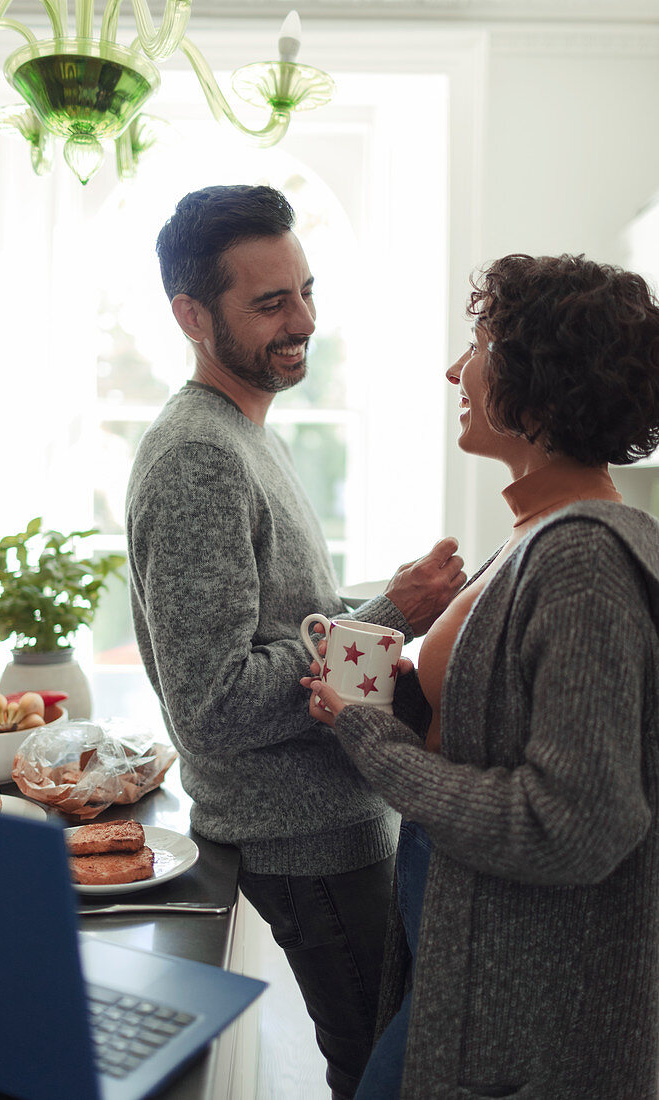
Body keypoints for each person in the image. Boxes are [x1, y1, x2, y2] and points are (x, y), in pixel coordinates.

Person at [124, 184, 466, 1099]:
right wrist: (390, 613)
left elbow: (287, 623)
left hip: (336, 819)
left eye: (305, 291)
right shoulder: (198, 454)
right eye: (270, 302)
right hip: (299, 836)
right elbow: (215, 704)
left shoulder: (243, 432)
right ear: (192, 316)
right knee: (377, 1073)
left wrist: (398, 600)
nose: (302, 320)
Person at [303, 252, 659, 1099]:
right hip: (477, 949)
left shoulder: (579, 563)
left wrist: (369, 737)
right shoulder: (534, 536)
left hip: (519, 1000)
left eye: (482, 342)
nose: (456, 368)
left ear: (542, 385)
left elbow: (571, 827)